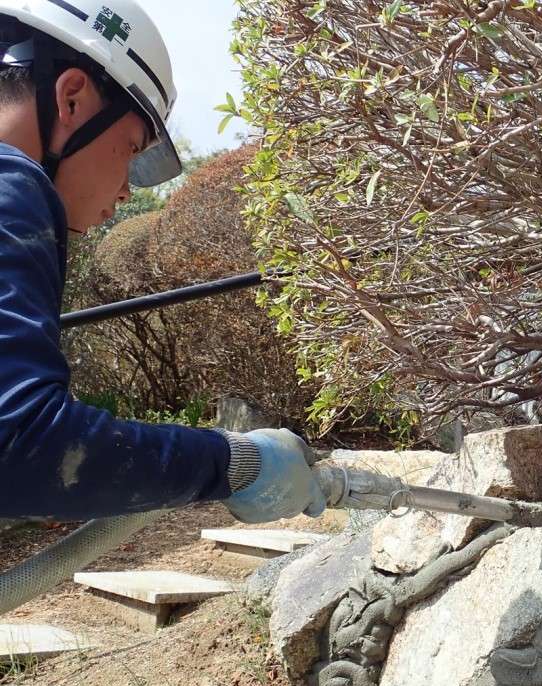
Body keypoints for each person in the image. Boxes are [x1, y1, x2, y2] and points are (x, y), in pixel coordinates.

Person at [0, 0, 325, 523]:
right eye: (132, 149)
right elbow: (24, 443)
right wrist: (235, 462)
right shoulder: (11, 185)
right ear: (72, 97)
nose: (126, 191)